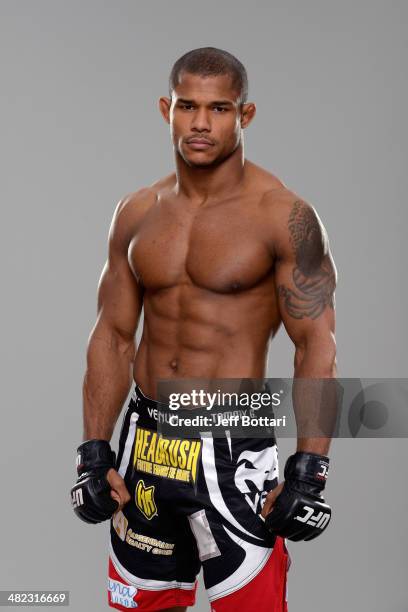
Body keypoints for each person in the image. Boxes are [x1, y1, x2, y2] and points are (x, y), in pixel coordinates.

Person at [71, 47, 337, 611]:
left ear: (245, 116)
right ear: (166, 108)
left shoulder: (284, 216)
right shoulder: (137, 212)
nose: (200, 123)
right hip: (145, 442)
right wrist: (94, 450)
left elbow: (316, 345)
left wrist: (311, 470)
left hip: (231, 445)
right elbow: (113, 336)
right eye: (187, 106)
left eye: (219, 109)